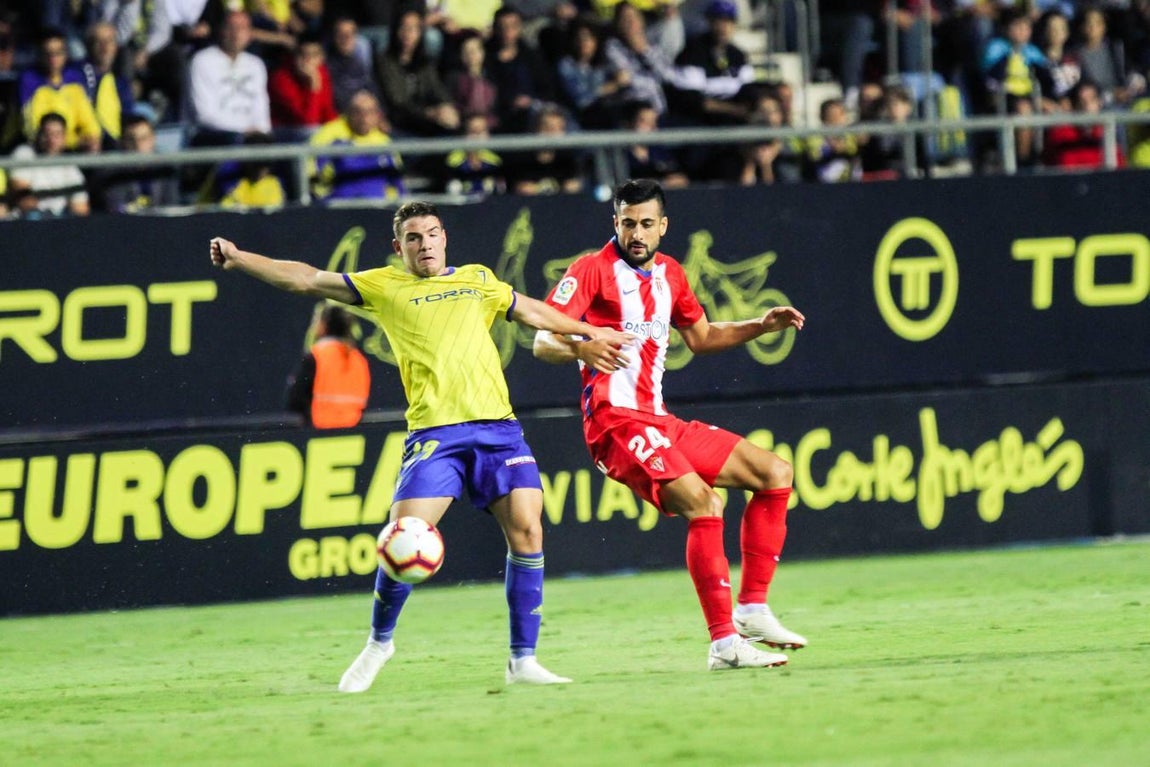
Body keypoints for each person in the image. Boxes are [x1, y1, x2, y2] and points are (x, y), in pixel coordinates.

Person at [208, 200, 633, 690]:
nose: (425, 244)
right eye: (413, 237)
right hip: (436, 434)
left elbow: (532, 310)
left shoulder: (478, 279)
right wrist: (240, 258)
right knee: (403, 538)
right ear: (399, 247)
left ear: (444, 237)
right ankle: (379, 643)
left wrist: (586, 330)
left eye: (431, 234)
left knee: (528, 531)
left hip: (499, 430)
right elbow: (306, 278)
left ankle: (523, 659)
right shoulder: (383, 286)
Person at [533, 178, 808, 672]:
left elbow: (701, 337)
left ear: (663, 226)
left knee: (775, 472)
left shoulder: (671, 275)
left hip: (659, 420)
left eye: (645, 224)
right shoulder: (591, 270)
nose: (636, 233)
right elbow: (542, 340)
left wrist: (758, 326)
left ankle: (752, 608)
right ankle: (724, 644)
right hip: (614, 422)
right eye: (627, 223)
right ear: (615, 222)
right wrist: (582, 347)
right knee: (705, 503)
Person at [187, 11, 272, 147]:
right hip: (212, 137)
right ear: (221, 30)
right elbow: (204, 115)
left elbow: (261, 108)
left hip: (253, 137)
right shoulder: (202, 61)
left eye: (242, 28)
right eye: (231, 27)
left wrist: (261, 131)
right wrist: (244, 131)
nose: (236, 34)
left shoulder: (256, 64)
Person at [286, 303, 371, 428]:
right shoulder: (359, 360)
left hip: (319, 431)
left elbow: (294, 400)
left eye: (315, 321)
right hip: (353, 433)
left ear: (323, 326)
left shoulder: (316, 356)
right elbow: (362, 403)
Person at [8, 112, 91, 218]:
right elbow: (23, 198)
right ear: (39, 134)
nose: (51, 140)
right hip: (27, 220)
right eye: (47, 133)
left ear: (64, 138)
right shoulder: (24, 153)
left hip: (59, 221)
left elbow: (81, 209)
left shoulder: (69, 167)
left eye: (57, 135)